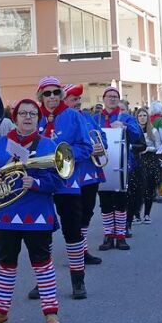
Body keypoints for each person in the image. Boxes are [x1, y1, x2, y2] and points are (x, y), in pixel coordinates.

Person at [0, 98, 63, 323]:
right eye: (23, 113)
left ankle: (51, 312)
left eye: (33, 114)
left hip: (37, 215)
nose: (27, 117)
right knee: (6, 264)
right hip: (5, 214)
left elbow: (57, 181)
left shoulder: (47, 145)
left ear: (38, 118)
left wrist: (34, 182)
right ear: (14, 118)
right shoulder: (1, 143)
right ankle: (0, 312)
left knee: (42, 263)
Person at [35, 76, 94, 298]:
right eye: (47, 93)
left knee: (72, 231)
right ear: (41, 96)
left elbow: (86, 147)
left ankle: (78, 280)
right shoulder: (34, 115)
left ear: (61, 95)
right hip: (41, 183)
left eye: (56, 92)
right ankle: (43, 281)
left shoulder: (73, 117)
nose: (52, 97)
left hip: (67, 182)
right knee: (41, 233)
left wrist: (65, 157)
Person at [92, 86, 143, 251]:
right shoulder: (96, 118)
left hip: (122, 165)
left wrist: (125, 127)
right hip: (102, 164)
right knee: (105, 201)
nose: (112, 99)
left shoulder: (126, 117)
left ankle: (121, 235)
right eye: (109, 96)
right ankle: (108, 235)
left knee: (121, 201)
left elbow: (138, 136)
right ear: (104, 98)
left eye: (115, 96)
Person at [61, 84, 104, 267]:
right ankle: (76, 251)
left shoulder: (87, 117)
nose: (78, 102)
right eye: (73, 99)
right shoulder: (61, 119)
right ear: (65, 101)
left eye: (79, 99)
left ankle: (83, 249)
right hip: (71, 174)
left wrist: (102, 146)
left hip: (90, 173)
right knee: (73, 215)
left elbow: (101, 134)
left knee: (87, 211)